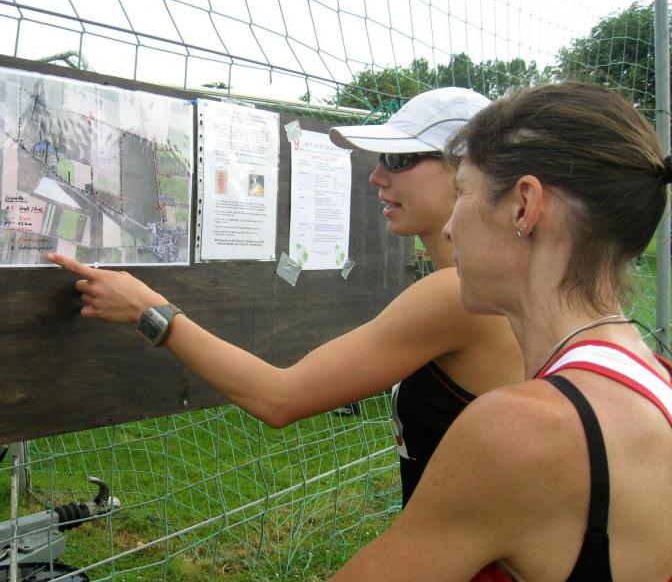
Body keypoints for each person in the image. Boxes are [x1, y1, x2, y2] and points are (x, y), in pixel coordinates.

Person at [48, 86, 524, 509]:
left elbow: (279, 398)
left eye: (398, 160)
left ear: (468, 170)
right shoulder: (487, 287)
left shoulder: (452, 296)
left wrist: (151, 311)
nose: (378, 176)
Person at [330, 82, 672, 581]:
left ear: (523, 207)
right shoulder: (655, 375)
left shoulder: (521, 429)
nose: (449, 229)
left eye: (463, 193)